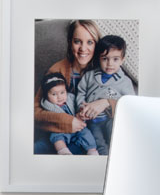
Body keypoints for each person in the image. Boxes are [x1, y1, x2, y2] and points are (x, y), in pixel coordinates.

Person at [33, 19, 102, 154]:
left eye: (90, 42)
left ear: (96, 45)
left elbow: (122, 99)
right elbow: (35, 111)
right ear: (70, 43)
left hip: (88, 134)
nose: (83, 49)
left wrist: (104, 102)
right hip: (56, 134)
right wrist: (67, 121)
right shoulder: (57, 70)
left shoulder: (104, 69)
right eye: (77, 41)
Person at [76, 36, 136, 155]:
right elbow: (81, 92)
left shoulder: (125, 81)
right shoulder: (89, 76)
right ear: (99, 59)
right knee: (98, 143)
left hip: (110, 119)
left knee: (114, 137)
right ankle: (103, 159)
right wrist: (81, 107)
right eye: (105, 59)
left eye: (115, 59)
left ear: (122, 60)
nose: (109, 64)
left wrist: (109, 102)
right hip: (92, 120)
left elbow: (129, 103)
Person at [39, 72, 98, 156]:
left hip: (77, 127)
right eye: (54, 94)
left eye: (62, 92)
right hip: (61, 128)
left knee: (86, 133)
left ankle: (92, 150)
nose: (59, 97)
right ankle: (63, 151)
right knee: (56, 136)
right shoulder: (48, 105)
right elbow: (49, 119)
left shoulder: (71, 98)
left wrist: (81, 112)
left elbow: (78, 105)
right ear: (46, 95)